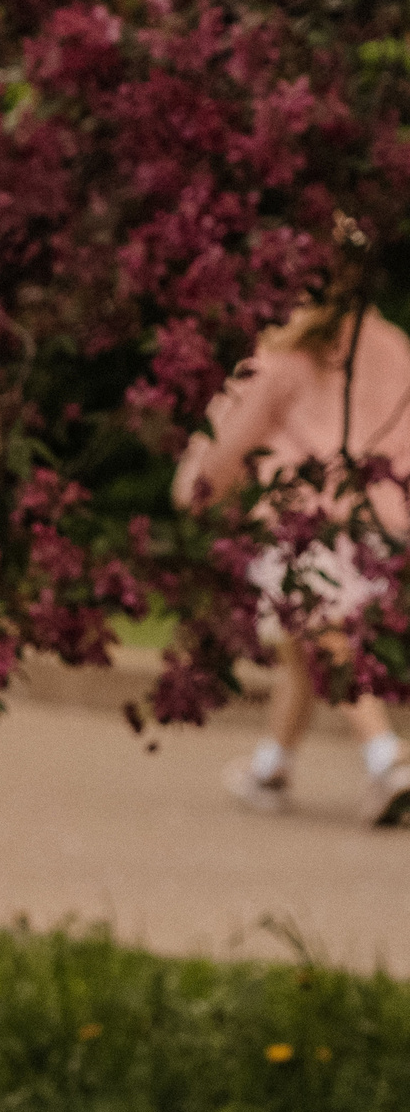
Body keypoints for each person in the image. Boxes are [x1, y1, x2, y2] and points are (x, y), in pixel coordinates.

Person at [178, 297, 410, 828]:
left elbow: (232, 435)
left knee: (321, 632)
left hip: (306, 517)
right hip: (382, 520)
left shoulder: (284, 353)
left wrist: (197, 487)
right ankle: (271, 768)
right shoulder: (392, 345)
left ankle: (383, 755)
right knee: (300, 645)